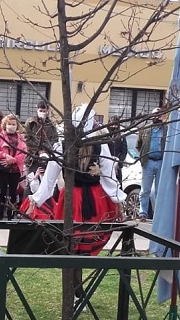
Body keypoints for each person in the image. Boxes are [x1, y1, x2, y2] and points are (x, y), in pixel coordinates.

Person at [25, 103, 125, 256]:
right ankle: (75, 273)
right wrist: (118, 201)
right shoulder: (99, 145)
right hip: (93, 199)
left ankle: (73, 272)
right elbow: (109, 177)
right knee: (81, 236)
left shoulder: (64, 146)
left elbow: (49, 179)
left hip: (74, 197)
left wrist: (36, 200)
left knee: (72, 237)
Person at [0, 113, 27, 220]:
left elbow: (24, 152)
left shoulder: (21, 138)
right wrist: (5, 156)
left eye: (14, 124)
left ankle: (11, 215)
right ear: (5, 124)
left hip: (15, 168)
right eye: (9, 124)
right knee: (1, 191)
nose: (11, 126)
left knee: (13, 192)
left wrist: (14, 160)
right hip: (2, 167)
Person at [136, 107, 166, 220]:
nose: (157, 117)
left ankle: (157, 214)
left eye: (159, 115)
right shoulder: (145, 129)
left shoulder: (166, 130)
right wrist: (143, 156)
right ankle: (143, 213)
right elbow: (138, 145)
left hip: (161, 162)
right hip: (148, 162)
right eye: (155, 115)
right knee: (145, 190)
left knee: (159, 190)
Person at [24, 100, 58, 171]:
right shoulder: (30, 123)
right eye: (40, 111)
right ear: (37, 110)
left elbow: (54, 139)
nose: (42, 113)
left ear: (47, 111)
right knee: (32, 177)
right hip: (32, 157)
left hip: (47, 156)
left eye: (44, 111)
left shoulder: (51, 125)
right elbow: (27, 139)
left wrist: (45, 150)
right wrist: (38, 150)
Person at [106, 115, 128, 186]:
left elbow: (124, 151)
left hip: (117, 166)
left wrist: (118, 162)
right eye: (112, 124)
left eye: (115, 125)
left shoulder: (121, 136)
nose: (113, 127)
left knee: (117, 186)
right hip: (105, 165)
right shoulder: (104, 135)